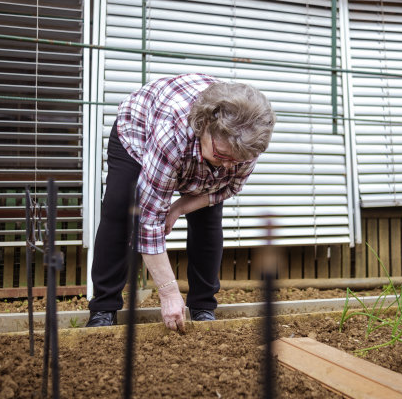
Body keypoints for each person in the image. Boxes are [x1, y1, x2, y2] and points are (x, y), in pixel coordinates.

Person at [86, 73, 275, 331]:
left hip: (195, 142)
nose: (229, 166)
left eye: (237, 160)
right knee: (120, 210)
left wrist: (180, 207)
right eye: (222, 155)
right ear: (204, 127)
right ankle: (104, 308)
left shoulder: (245, 142)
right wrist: (168, 292)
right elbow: (148, 220)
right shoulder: (172, 135)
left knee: (208, 220)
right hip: (138, 130)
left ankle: (203, 307)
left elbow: (230, 186)